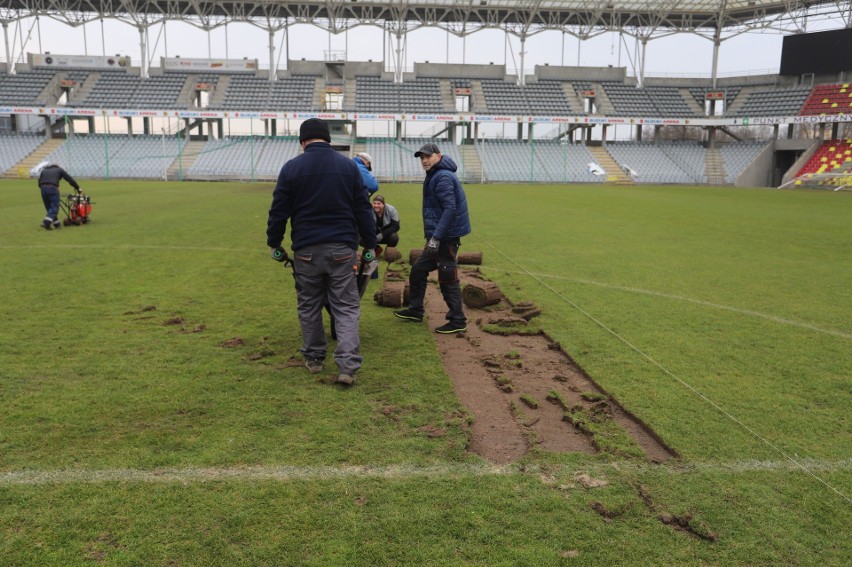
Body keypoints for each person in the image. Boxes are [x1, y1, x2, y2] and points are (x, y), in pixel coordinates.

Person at [267, 118, 377, 386]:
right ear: (328, 140)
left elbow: (279, 210)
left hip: (306, 250)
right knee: (347, 306)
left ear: (303, 141)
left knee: (309, 304)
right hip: (342, 248)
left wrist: (275, 242)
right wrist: (370, 243)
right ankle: (348, 366)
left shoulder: (291, 168)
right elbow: (363, 208)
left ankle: (315, 357)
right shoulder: (348, 167)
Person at [393, 143, 471, 334]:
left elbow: (450, 209)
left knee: (447, 275)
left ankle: (458, 320)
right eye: (422, 158)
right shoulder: (436, 174)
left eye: (428, 156)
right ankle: (416, 310)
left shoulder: (442, 176)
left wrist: (435, 237)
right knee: (419, 269)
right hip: (440, 235)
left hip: (446, 236)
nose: (424, 161)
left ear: (438, 156)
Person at [38, 163, 80, 230]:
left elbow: (39, 182)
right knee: (55, 207)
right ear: (57, 166)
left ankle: (57, 224)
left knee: (49, 207)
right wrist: (77, 187)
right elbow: (70, 179)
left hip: (43, 188)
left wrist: (44, 187)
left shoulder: (44, 170)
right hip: (53, 187)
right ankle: (46, 222)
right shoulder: (59, 170)